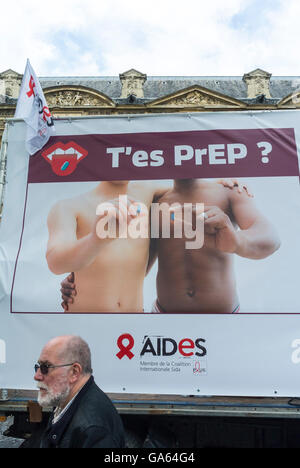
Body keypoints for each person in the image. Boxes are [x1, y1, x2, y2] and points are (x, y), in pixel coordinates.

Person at [61, 178, 280, 314]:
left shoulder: (228, 192)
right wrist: (82, 279)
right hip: (163, 318)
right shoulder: (157, 202)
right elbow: (137, 264)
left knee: (227, 388)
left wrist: (237, 242)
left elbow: (270, 238)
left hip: (223, 315)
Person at [31, 335, 125, 448]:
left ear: (74, 372)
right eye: (38, 367)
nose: (37, 376)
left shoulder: (93, 429)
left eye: (45, 368)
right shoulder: (65, 399)